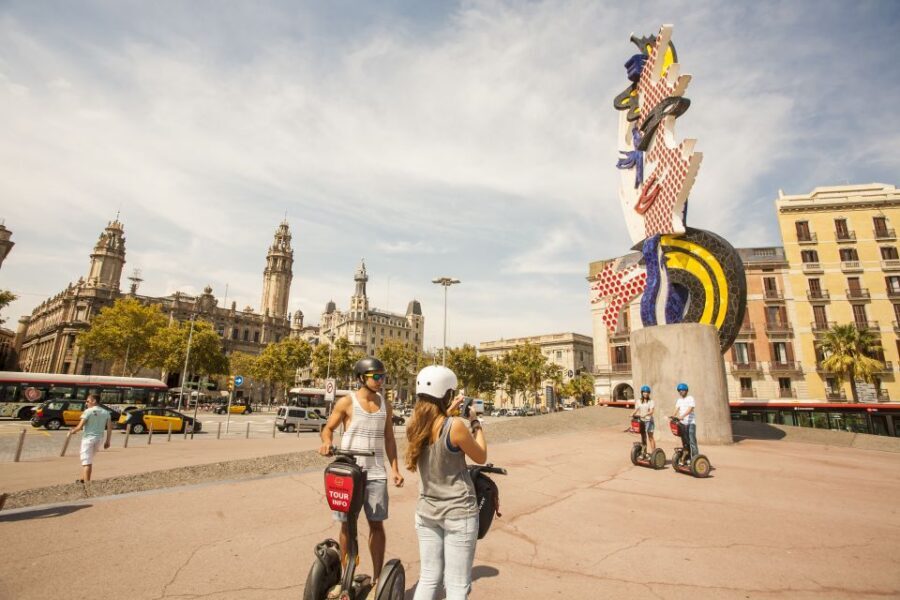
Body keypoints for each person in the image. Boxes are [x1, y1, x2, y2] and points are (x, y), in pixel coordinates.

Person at [319, 357, 404, 590]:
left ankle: (378, 581)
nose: (380, 380)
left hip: (376, 472)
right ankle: (345, 578)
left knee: (376, 524)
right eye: (375, 376)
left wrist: (395, 468)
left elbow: (389, 438)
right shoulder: (347, 402)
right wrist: (326, 443)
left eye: (382, 376)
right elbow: (328, 429)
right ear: (361, 378)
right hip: (349, 472)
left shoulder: (385, 405)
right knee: (346, 525)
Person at [406, 365, 487, 600]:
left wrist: (449, 411)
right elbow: (480, 455)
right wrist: (476, 422)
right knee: (457, 585)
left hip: (426, 512)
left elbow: (435, 424)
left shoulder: (414, 426)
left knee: (429, 578)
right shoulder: (456, 427)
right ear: (447, 395)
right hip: (458, 513)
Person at [69, 393, 112, 484]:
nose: (86, 403)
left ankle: (87, 485)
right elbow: (109, 428)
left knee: (87, 462)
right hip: (99, 439)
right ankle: (82, 479)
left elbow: (79, 427)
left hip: (88, 439)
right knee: (88, 459)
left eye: (88, 401)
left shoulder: (88, 411)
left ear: (94, 401)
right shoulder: (106, 412)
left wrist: (72, 431)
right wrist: (108, 441)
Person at [671, 382, 697, 462]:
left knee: (692, 441)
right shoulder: (679, 400)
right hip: (682, 424)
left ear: (686, 390)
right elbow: (676, 409)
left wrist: (682, 416)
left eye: (682, 390)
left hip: (691, 423)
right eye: (679, 390)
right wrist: (673, 415)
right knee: (685, 442)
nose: (680, 392)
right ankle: (687, 458)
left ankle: (695, 459)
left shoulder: (690, 398)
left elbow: (690, 409)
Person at [631, 385, 656, 453]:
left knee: (650, 437)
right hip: (642, 421)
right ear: (642, 393)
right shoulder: (639, 401)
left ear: (649, 393)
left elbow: (651, 411)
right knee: (643, 437)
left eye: (647, 392)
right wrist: (632, 413)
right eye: (644, 392)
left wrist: (646, 414)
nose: (646, 393)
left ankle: (654, 453)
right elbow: (636, 409)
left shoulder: (651, 401)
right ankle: (644, 452)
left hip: (649, 421)